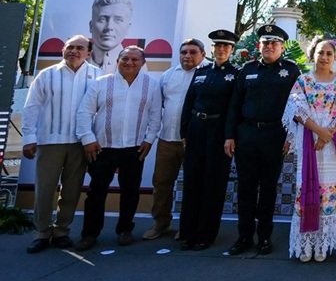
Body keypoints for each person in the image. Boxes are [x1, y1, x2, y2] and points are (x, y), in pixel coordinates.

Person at [74, 46, 162, 251]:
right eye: (125, 59)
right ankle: (89, 234)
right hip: (103, 147)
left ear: (142, 63)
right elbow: (84, 112)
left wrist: (149, 140)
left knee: (131, 191)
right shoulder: (101, 83)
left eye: (134, 59)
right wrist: (87, 138)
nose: (129, 63)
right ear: (117, 61)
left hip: (134, 148)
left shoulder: (152, 85)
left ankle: (125, 230)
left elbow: (155, 116)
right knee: (96, 192)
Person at [224, 24, 301, 256]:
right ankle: (244, 236)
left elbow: (298, 106)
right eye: (265, 42)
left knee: (268, 188)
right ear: (259, 45)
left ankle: (264, 237)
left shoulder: (291, 71)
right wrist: (229, 135)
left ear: (282, 46)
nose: (269, 46)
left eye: (274, 43)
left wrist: (292, 136)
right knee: (245, 188)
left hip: (274, 135)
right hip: (247, 135)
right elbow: (234, 105)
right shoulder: (246, 70)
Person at [21, 35, 101, 253]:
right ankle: (42, 233)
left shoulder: (98, 76)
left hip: (80, 143)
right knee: (45, 189)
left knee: (72, 190)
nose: (74, 51)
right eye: (70, 47)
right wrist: (29, 138)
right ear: (63, 50)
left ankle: (62, 231)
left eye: (79, 48)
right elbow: (32, 107)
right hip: (50, 141)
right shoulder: (47, 75)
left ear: (89, 52)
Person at [282, 36, 336, 262]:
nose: (324, 57)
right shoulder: (303, 81)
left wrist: (327, 134)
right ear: (313, 54)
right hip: (309, 141)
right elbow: (297, 109)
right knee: (306, 190)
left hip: (331, 146)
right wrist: (318, 131)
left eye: (329, 54)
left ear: (334, 58)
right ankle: (306, 244)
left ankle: (323, 243)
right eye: (320, 53)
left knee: (328, 193)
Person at [178, 29, 241, 250]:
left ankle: (205, 234)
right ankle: (187, 232)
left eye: (226, 46)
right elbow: (189, 102)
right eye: (217, 46)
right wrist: (184, 132)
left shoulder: (236, 74)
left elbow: (234, 109)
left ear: (232, 50)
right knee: (193, 181)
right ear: (211, 49)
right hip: (196, 130)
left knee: (212, 184)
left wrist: (230, 136)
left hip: (219, 133)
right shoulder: (201, 72)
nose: (221, 49)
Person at [143, 38, 206, 240]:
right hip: (168, 139)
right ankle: (161, 223)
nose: (187, 56)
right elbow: (157, 107)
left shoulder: (208, 74)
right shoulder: (168, 76)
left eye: (193, 52)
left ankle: (189, 226)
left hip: (195, 141)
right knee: (162, 183)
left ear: (203, 55)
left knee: (193, 184)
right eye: (184, 52)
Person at [87, 0, 134, 74]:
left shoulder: (138, 67)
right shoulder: (77, 62)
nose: (109, 27)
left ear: (128, 28)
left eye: (118, 20)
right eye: (102, 19)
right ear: (91, 26)